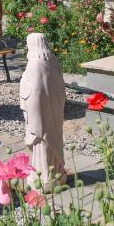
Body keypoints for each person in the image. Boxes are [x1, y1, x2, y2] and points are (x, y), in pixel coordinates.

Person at [20, 33, 67, 192]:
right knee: (52, 142)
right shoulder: (52, 60)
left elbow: (34, 94)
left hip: (40, 115)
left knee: (42, 144)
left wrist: (33, 120)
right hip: (53, 112)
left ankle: (45, 178)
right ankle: (57, 172)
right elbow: (61, 89)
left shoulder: (35, 64)